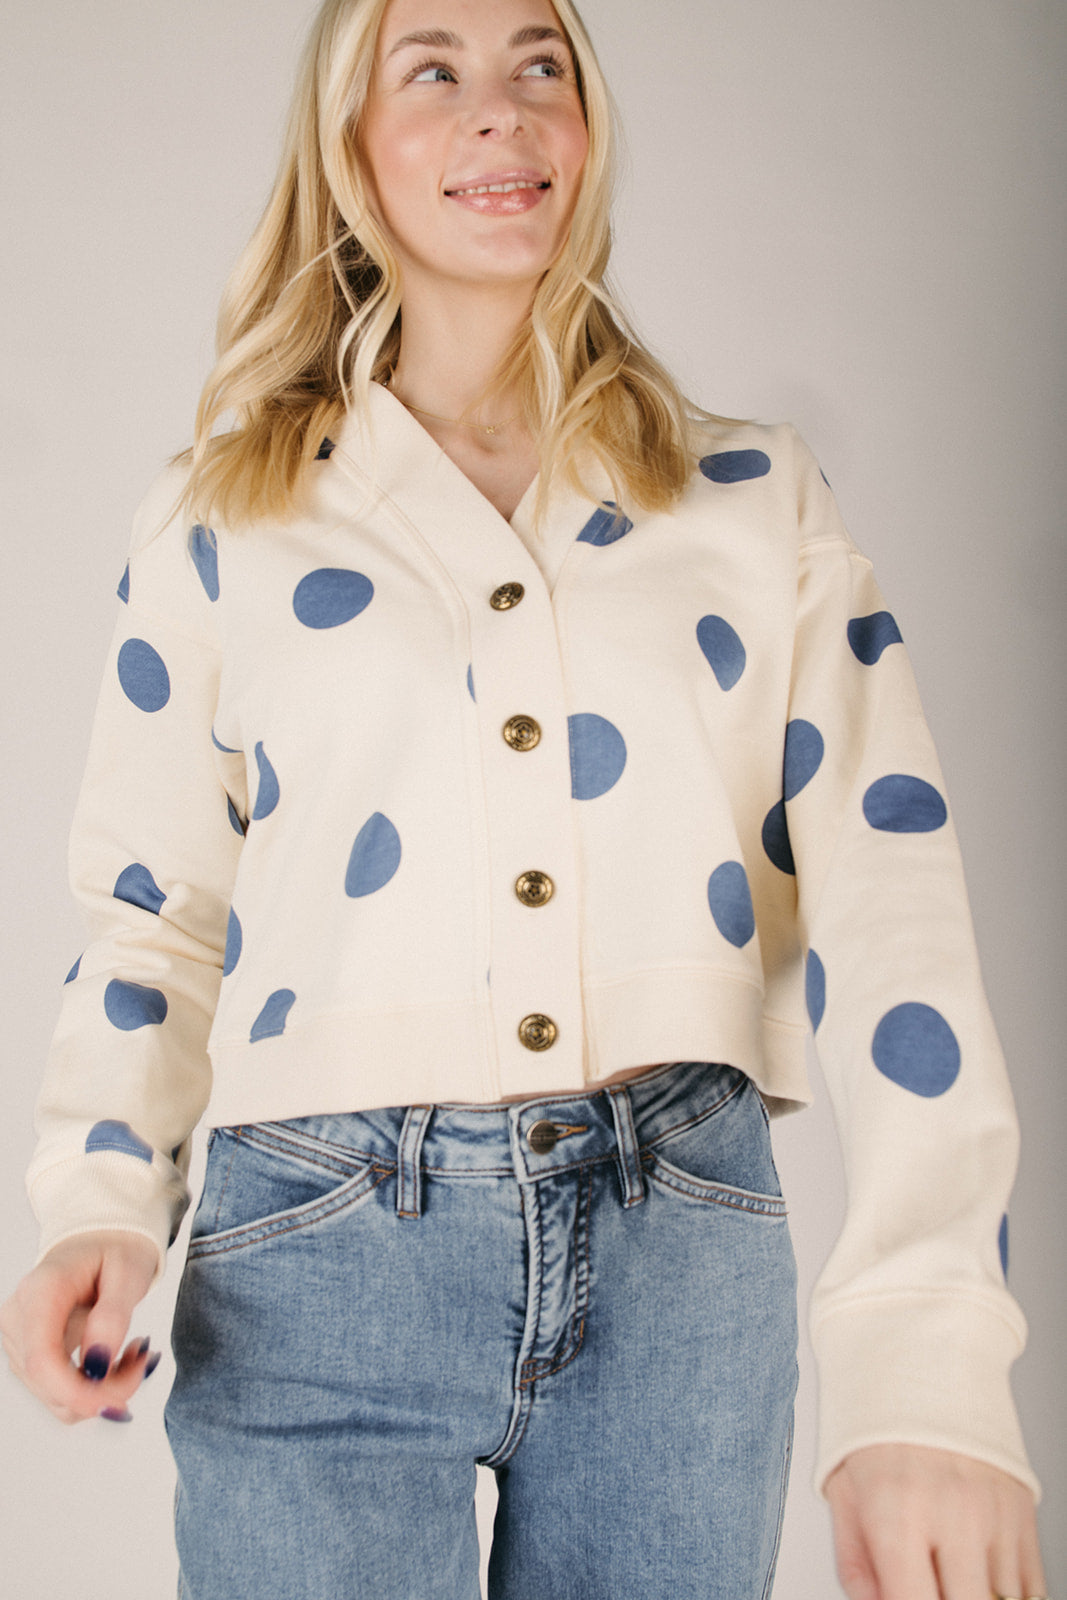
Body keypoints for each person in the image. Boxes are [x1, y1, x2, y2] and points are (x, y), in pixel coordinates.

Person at [0, 0, 1049, 1595]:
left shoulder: (756, 504)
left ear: (589, 125)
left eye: (539, 64)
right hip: (316, 1259)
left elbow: (897, 917)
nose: (500, 109)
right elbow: (154, 917)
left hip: (682, 1248)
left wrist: (928, 1360)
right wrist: (98, 1202)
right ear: (351, 148)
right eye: (434, 69)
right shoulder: (220, 521)